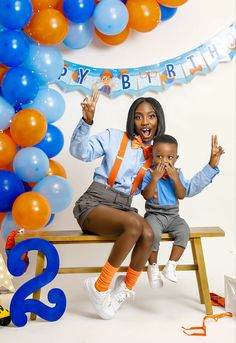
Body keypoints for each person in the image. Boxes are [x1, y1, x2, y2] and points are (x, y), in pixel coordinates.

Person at [70, 86, 165, 319]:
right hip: (94, 203)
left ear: (158, 121)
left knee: (148, 233)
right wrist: (86, 120)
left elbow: (147, 195)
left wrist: (159, 175)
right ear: (132, 120)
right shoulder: (113, 137)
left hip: (124, 207)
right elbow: (79, 152)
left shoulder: (156, 156)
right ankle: (100, 286)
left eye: (151, 116)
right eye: (138, 116)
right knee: (134, 225)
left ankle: (125, 288)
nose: (145, 121)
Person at [141, 134, 224, 288]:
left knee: (184, 230)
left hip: (173, 216)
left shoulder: (177, 174)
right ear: (152, 156)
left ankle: (171, 265)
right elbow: (146, 195)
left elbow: (182, 194)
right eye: (159, 156)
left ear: (176, 158)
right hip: (154, 215)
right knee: (153, 233)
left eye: (169, 157)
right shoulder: (148, 174)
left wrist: (175, 178)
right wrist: (155, 178)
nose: (164, 161)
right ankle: (152, 266)